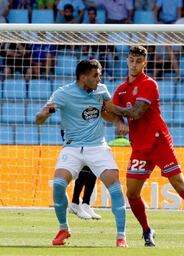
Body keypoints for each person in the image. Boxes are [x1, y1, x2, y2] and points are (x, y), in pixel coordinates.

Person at [103, 46, 184, 248]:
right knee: (131, 193)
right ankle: (147, 231)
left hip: (158, 142)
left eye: (138, 61)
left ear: (144, 63)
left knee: (180, 185)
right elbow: (109, 113)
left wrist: (115, 110)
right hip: (139, 147)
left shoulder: (149, 84)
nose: (134, 64)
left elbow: (137, 113)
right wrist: (117, 121)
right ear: (127, 61)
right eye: (131, 60)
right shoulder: (121, 90)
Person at [35, 59, 129, 247]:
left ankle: (121, 236)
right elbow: (38, 119)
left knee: (116, 189)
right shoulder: (63, 93)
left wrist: (118, 122)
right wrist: (45, 113)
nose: (99, 78)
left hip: (98, 147)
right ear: (83, 77)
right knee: (59, 185)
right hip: (72, 147)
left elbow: (106, 113)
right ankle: (64, 229)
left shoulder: (101, 90)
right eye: (96, 75)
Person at [59, 128, 102, 220]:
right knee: (83, 170)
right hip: (74, 137)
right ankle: (75, 203)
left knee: (92, 168)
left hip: (86, 135)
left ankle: (86, 204)